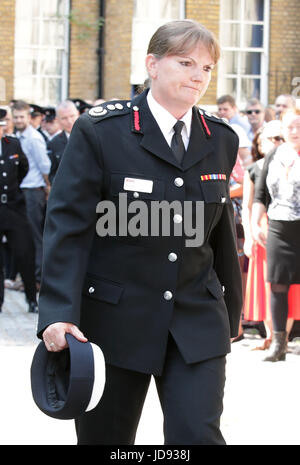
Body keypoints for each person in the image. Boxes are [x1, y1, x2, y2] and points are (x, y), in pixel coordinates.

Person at [37, 20, 243, 445]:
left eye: (206, 68)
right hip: (114, 322)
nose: (198, 76)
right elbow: (68, 227)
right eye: (185, 62)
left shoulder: (220, 138)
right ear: (152, 64)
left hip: (195, 320)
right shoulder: (102, 131)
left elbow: (220, 231)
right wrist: (58, 312)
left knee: (196, 436)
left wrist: (232, 312)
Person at [252, 108, 300, 362]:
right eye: (290, 127)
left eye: (299, 127)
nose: (294, 132)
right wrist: (253, 222)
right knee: (277, 285)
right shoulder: (274, 155)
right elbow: (260, 195)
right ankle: (278, 344)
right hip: (279, 228)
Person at [0, 110, 38, 313]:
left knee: (25, 251)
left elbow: (23, 166)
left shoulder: (12, 144)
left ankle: (32, 299)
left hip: (14, 207)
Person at [12, 100, 51, 287]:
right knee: (22, 237)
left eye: (22, 117)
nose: (19, 120)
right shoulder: (15, 137)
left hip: (33, 191)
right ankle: (25, 277)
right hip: (20, 192)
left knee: (35, 236)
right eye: (16, 117)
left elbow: (45, 166)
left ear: (28, 117)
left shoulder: (34, 138)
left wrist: (47, 187)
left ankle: (37, 278)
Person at [47, 100, 79, 184]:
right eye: (64, 118)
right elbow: (53, 173)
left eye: (72, 116)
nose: (69, 121)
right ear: (57, 120)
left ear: (78, 114)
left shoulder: (92, 137)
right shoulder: (54, 143)